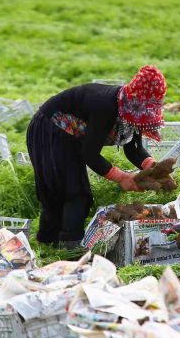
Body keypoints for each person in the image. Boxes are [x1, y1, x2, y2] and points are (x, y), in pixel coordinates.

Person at [26, 65, 167, 247]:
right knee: (72, 192)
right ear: (137, 102)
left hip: (72, 136)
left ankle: (51, 245)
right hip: (51, 129)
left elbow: (134, 149)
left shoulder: (132, 110)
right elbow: (90, 154)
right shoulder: (106, 106)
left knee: (70, 191)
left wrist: (154, 169)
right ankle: (68, 250)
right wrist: (122, 177)